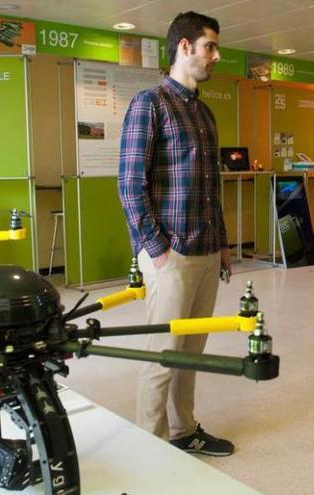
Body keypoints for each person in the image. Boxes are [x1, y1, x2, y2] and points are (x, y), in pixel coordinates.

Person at [118, 11, 233, 456]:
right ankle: (149, 447)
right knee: (161, 355)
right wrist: (156, 248)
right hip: (172, 255)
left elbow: (211, 185)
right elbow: (130, 184)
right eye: (210, 46)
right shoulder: (150, 104)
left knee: (191, 352)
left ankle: (184, 431)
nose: (216, 55)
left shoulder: (204, 113)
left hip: (206, 251)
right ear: (184, 47)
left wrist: (223, 244)